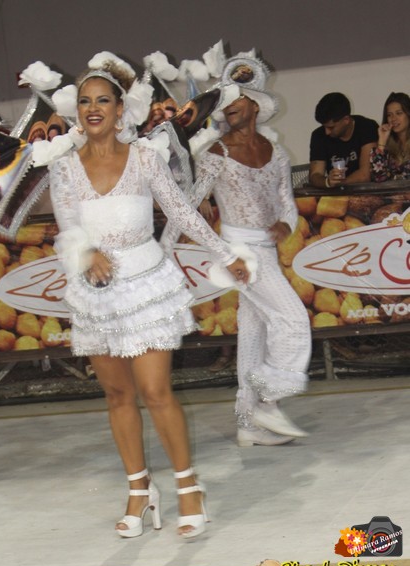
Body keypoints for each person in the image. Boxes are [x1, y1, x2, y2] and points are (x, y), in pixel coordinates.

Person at [47, 57, 249, 540]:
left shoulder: (144, 158)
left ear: (121, 110)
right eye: (85, 101)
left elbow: (182, 211)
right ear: (77, 111)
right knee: (117, 395)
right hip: (97, 295)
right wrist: (85, 252)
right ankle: (139, 490)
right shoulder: (63, 168)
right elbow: (67, 228)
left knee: (156, 392)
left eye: (103, 100)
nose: (93, 108)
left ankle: (188, 487)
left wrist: (227, 253)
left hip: (146, 285)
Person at [193, 60, 311, 447]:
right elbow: (189, 204)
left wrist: (286, 225)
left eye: (238, 98)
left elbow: (287, 204)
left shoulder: (276, 153)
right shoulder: (215, 152)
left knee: (253, 337)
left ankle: (247, 423)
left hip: (267, 253)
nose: (230, 105)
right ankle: (268, 401)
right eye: (225, 99)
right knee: (294, 320)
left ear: (255, 105)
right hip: (240, 255)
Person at [309, 92, 378, 188]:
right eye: (324, 126)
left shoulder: (367, 127)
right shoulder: (318, 135)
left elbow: (365, 174)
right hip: (335, 194)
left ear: (346, 120)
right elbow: (315, 175)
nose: (327, 132)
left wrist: (339, 184)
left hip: (366, 191)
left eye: (331, 127)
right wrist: (327, 182)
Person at [371, 92, 410, 181]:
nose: (393, 119)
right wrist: (382, 141)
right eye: (389, 115)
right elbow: (378, 178)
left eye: (399, 113)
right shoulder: (386, 147)